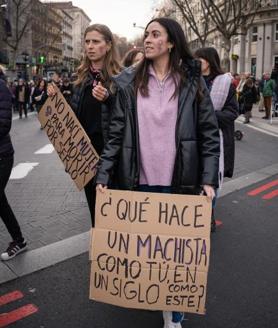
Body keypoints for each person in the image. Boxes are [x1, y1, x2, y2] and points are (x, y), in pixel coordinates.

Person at [96, 18, 220, 328]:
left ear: (171, 42)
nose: (147, 40)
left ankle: (173, 317)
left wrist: (208, 180)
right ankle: (157, 296)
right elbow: (115, 134)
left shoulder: (193, 81)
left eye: (155, 34)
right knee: (148, 254)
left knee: (176, 258)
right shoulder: (128, 82)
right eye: (146, 34)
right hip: (139, 183)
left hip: (181, 184)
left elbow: (208, 133)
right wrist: (103, 176)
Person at [48, 24, 121, 227]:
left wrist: (109, 98)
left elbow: (128, 115)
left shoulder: (121, 78)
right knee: (95, 211)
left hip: (111, 155)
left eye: (95, 42)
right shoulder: (80, 79)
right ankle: (100, 253)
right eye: (87, 42)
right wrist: (56, 99)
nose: (90, 46)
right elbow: (72, 115)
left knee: (114, 212)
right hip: (85, 156)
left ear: (107, 46)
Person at [195, 47, 238, 231]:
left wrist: (208, 115)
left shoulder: (225, 83)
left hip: (216, 139)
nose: (197, 62)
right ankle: (195, 214)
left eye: (200, 59)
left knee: (211, 178)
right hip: (192, 139)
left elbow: (232, 112)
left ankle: (208, 214)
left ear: (210, 61)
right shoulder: (189, 80)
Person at [0, 65, 27, 261]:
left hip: (2, 156)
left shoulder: (1, 87)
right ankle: (19, 240)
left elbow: (3, 123)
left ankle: (19, 241)